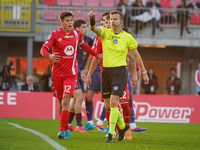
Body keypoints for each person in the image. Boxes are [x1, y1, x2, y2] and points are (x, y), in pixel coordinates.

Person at [88, 9, 149, 142]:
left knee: (115, 101)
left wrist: (143, 72)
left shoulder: (127, 37)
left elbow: (136, 56)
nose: (112, 21)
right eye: (111, 19)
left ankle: (110, 134)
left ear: (121, 21)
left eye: (115, 19)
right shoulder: (104, 33)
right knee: (109, 105)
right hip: (106, 73)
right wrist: (92, 19)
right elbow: (93, 28)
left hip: (120, 72)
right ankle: (122, 126)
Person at [40, 12, 100, 139]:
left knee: (67, 99)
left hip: (71, 74)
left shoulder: (76, 34)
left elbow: (83, 45)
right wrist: (49, 56)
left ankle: (62, 130)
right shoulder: (55, 34)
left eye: (71, 20)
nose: (70, 23)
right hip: (57, 73)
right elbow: (43, 49)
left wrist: (95, 54)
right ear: (61, 22)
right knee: (61, 102)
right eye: (67, 20)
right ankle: (65, 126)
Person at [67, 19, 93, 133]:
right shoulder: (72, 39)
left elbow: (91, 54)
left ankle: (68, 124)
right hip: (71, 73)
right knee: (80, 98)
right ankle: (79, 125)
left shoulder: (88, 40)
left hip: (80, 74)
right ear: (76, 29)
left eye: (86, 27)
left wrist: (86, 68)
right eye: (83, 27)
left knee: (75, 101)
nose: (86, 29)